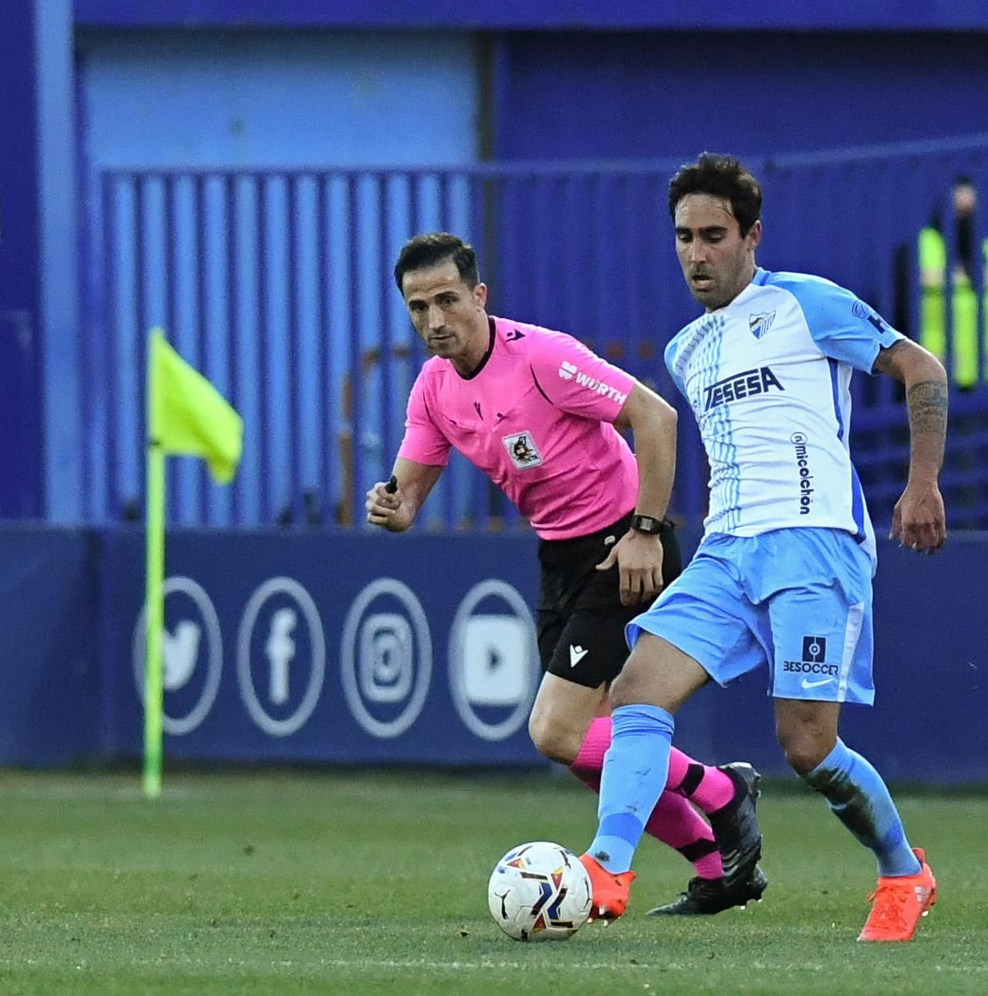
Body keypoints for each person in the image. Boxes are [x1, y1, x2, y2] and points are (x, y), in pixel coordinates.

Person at [576, 154, 949, 942]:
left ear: (752, 236)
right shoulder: (685, 349)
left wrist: (922, 484)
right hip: (726, 551)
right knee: (636, 689)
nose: (696, 253)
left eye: (714, 235)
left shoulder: (806, 303)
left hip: (813, 545)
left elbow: (921, 367)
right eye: (684, 237)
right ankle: (606, 866)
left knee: (807, 745)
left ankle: (902, 870)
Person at [366, 232, 765, 916]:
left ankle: (723, 792)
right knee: (587, 752)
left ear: (479, 296)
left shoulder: (541, 357)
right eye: (418, 307)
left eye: (447, 301)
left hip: (622, 546)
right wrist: (391, 508)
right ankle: (718, 865)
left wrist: (646, 531)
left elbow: (656, 416)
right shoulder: (433, 387)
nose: (434, 320)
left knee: (556, 730)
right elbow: (408, 494)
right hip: (560, 558)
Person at [918, 174, 988, 390]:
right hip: (939, 373)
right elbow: (922, 277)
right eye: (958, 209)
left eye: (969, 210)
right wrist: (975, 278)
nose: (963, 217)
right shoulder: (926, 244)